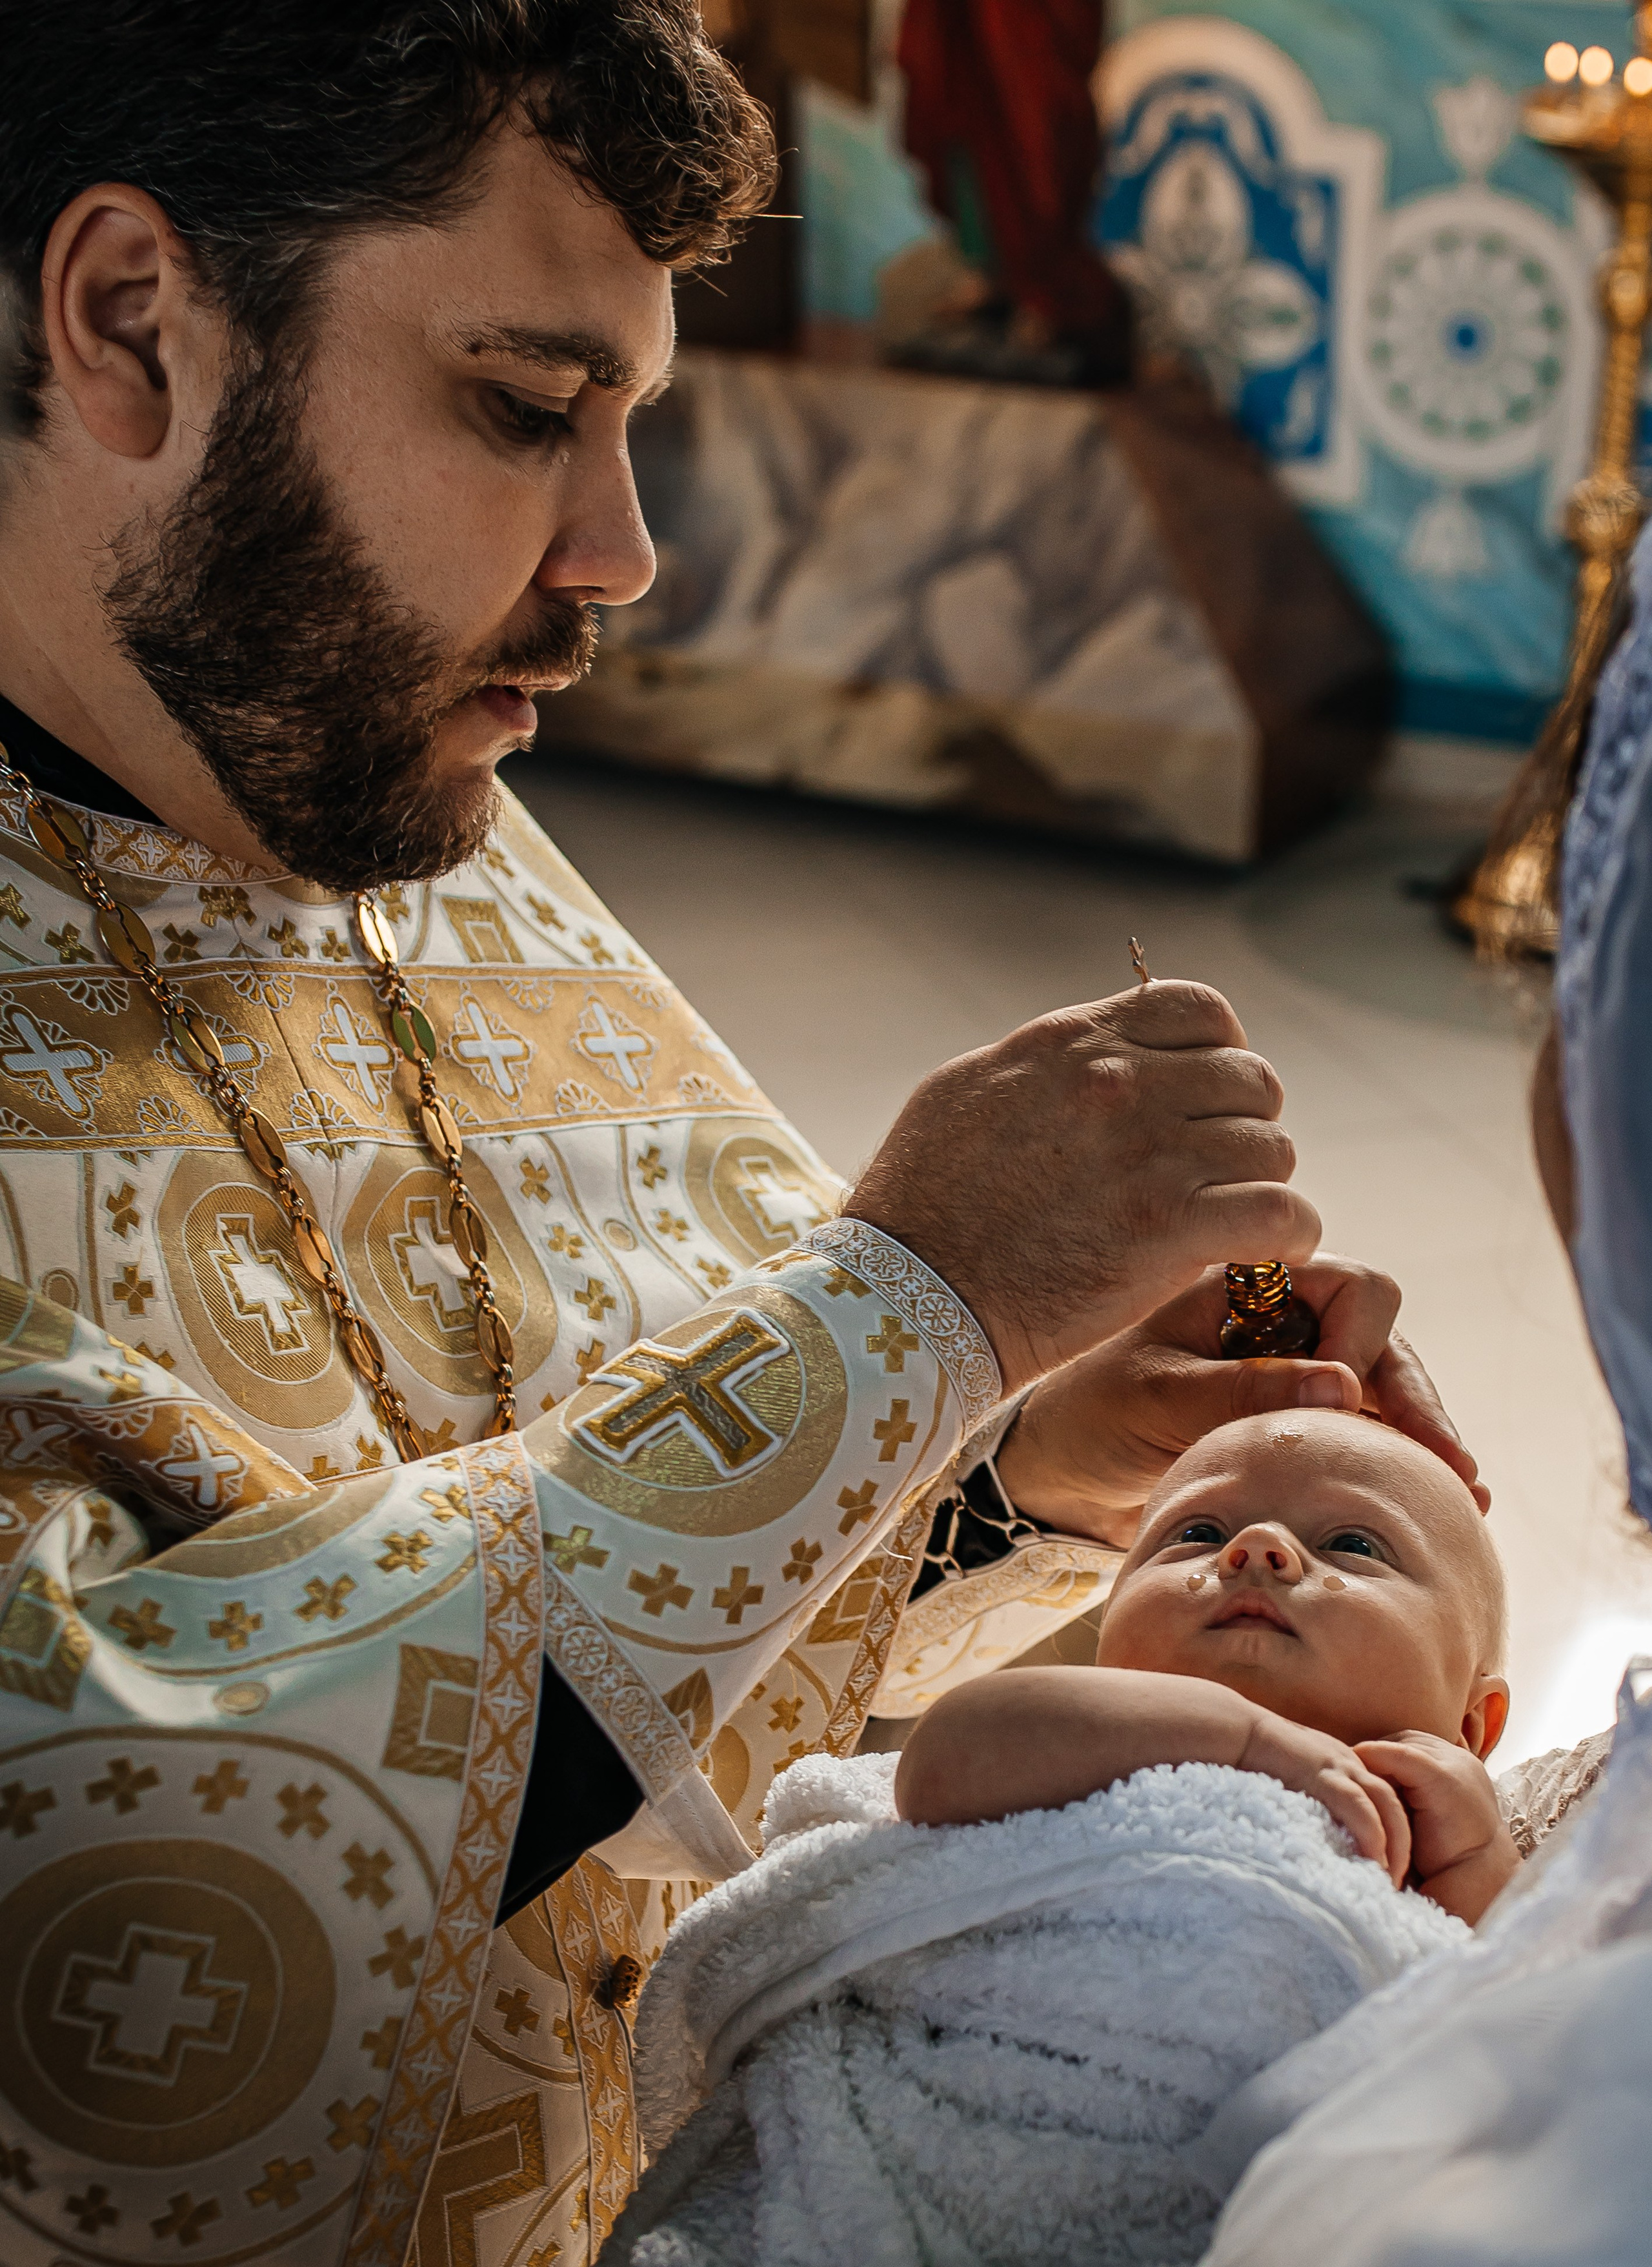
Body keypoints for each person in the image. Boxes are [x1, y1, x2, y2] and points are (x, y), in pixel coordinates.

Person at [0, 8, 1482, 2263]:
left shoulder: (402, 816)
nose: (621, 555)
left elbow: (629, 1573)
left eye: (632, 425)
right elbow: (107, 1911)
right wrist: (903, 1317)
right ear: (130, 323)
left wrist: (999, 1451)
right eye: (523, 408)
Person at [605, 1407, 1511, 2266]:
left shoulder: (1423, 1842)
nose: (1258, 1548)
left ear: (1473, 1723)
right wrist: (1243, 1736)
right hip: (917, 2164)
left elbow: (1509, 2020)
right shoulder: (1076, 1745)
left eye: (1354, 1542)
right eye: (1194, 1533)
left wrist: (1479, 1864)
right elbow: (947, 1762)